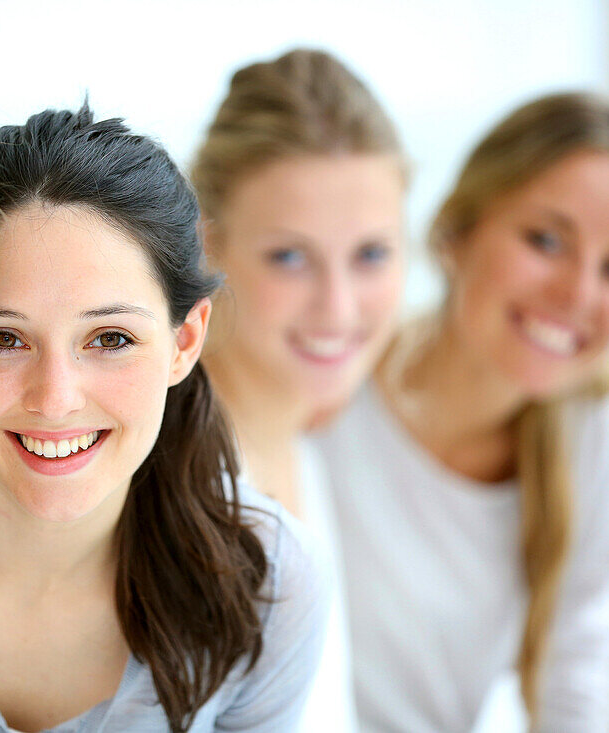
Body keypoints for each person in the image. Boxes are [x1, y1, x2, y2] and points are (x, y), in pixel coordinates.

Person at [0, 105, 329, 732]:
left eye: (110, 339)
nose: (55, 399)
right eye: (3, 338)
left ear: (185, 340)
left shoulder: (267, 586)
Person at [317, 92, 609, 732]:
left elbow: (577, 684)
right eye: (546, 240)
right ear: (455, 233)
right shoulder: (330, 389)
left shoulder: (593, 437)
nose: (579, 294)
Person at [191, 48, 407, 729]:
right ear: (208, 248)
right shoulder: (178, 489)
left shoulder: (306, 446)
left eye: (371, 254)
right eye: (290, 256)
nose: (339, 307)